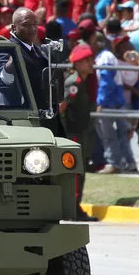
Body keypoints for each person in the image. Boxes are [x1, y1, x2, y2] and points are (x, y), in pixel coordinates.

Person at [0, 7, 65, 136]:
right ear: (14, 28)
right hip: (24, 121)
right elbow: (3, 81)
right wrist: (11, 64)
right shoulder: (6, 50)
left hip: (46, 121)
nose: (32, 29)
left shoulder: (38, 51)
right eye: (26, 25)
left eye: (35, 24)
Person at [59, 44, 98, 222]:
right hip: (73, 134)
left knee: (80, 172)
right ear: (78, 63)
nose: (92, 63)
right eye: (87, 60)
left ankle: (76, 207)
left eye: (91, 59)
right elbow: (61, 108)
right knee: (75, 173)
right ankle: (74, 209)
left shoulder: (82, 81)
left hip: (80, 131)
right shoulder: (74, 82)